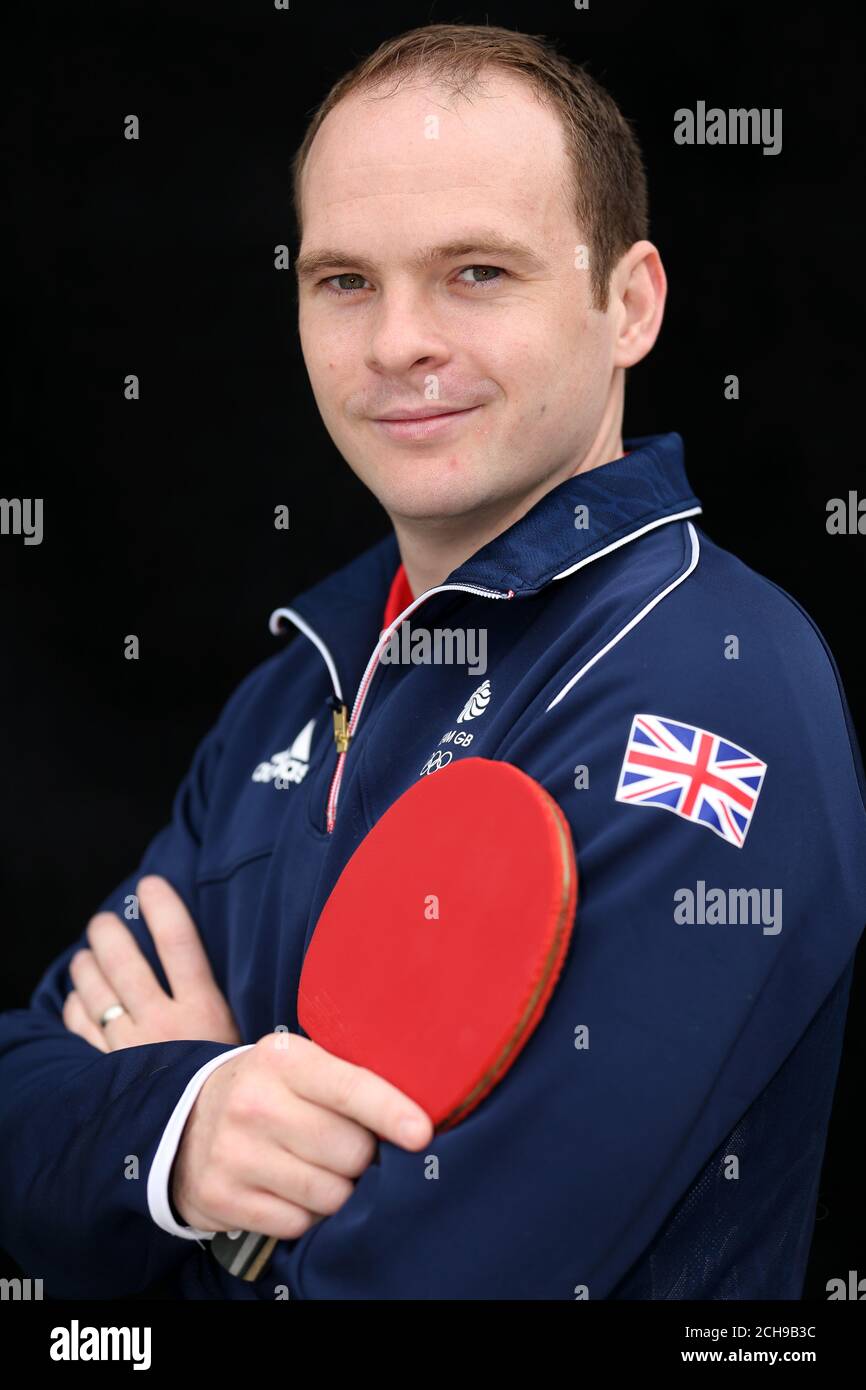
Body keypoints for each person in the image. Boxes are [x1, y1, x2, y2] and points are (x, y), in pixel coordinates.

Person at [2, 22, 865, 1301]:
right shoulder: (295, 683)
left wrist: (181, 1195)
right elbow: (19, 1091)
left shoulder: (711, 691)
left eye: (474, 272)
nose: (397, 341)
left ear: (627, 303)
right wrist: (189, 1123)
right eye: (345, 280)